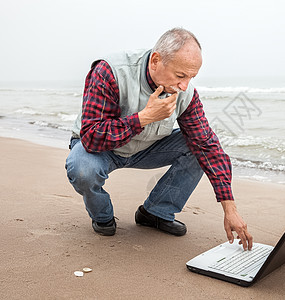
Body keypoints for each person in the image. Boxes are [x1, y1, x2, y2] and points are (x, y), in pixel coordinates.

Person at [65, 27, 253, 250]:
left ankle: (155, 213)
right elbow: (92, 137)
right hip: (101, 149)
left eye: (191, 77)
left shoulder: (186, 93)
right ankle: (103, 216)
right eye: (180, 76)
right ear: (155, 61)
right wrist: (143, 118)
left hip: (145, 148)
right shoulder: (109, 71)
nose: (184, 86)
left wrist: (229, 209)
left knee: (198, 147)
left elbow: (207, 147)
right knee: (81, 169)